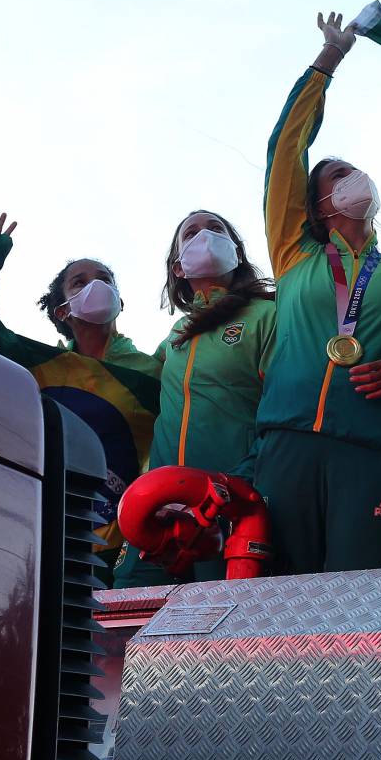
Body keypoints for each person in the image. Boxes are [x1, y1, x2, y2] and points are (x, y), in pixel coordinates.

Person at [247, 12, 381, 574]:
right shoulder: (295, 254)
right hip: (289, 441)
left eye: (355, 171)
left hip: (374, 450)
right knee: (275, 600)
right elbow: (285, 150)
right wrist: (328, 62)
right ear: (318, 203)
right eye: (336, 175)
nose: (354, 179)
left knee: (359, 603)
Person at [0, 212, 161, 561]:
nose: (96, 285)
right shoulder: (35, 365)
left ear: (119, 301)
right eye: (80, 282)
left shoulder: (154, 373)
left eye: (104, 279)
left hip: (121, 549)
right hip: (33, 533)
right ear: (61, 311)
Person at [116, 210, 278, 586]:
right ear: (178, 268)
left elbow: (282, 408)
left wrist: (242, 481)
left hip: (229, 502)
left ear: (236, 253)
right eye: (191, 233)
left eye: (216, 229)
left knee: (220, 622)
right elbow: (122, 377)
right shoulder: (175, 337)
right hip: (159, 509)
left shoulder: (267, 315)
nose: (205, 235)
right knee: (128, 620)